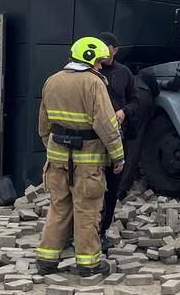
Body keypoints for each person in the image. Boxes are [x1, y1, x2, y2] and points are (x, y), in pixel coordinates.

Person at [35, 36, 125, 278]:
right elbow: (106, 126)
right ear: (89, 58)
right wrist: (118, 157)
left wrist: (51, 147)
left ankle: (46, 260)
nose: (100, 66)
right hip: (87, 163)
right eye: (98, 61)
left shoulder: (52, 80)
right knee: (87, 211)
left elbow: (44, 123)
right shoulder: (93, 83)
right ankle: (88, 264)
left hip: (56, 159)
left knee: (58, 208)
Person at [95, 31, 140, 252]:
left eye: (107, 47)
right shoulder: (91, 72)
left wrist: (124, 112)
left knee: (111, 189)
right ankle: (83, 233)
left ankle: (101, 232)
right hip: (94, 139)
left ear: (115, 50)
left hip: (118, 135)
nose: (103, 51)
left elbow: (135, 100)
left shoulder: (124, 73)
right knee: (90, 189)